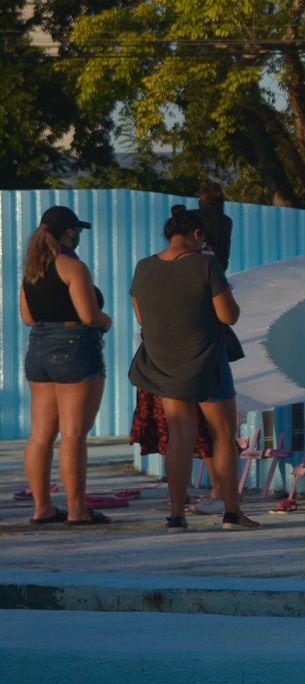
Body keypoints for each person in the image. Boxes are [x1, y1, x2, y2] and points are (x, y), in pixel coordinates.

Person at [129, 205, 259, 531]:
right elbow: (229, 316)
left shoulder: (144, 268)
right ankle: (231, 513)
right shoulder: (206, 264)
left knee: (179, 437)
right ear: (197, 235)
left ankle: (177, 515)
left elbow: (142, 317)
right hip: (207, 364)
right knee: (224, 435)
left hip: (165, 365)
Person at [20, 206, 114, 525]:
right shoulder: (72, 266)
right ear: (70, 233)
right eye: (79, 231)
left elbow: (28, 318)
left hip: (39, 348)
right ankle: (77, 511)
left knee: (40, 435)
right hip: (74, 346)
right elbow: (88, 316)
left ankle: (42, 508)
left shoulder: (32, 269)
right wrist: (106, 321)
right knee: (73, 434)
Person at [196, 181, 233, 273]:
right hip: (216, 273)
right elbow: (224, 254)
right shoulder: (226, 221)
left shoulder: (191, 217)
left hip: (191, 271)